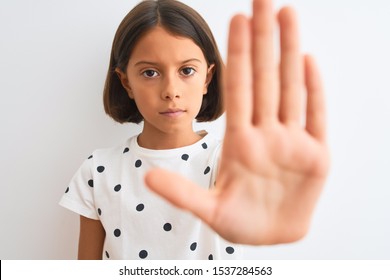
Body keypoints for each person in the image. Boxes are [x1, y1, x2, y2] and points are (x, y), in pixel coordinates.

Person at [60, 0, 329, 260]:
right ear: (126, 82)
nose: (171, 92)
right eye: (150, 73)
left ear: (207, 78)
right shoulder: (98, 170)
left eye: (187, 70)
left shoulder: (228, 163)